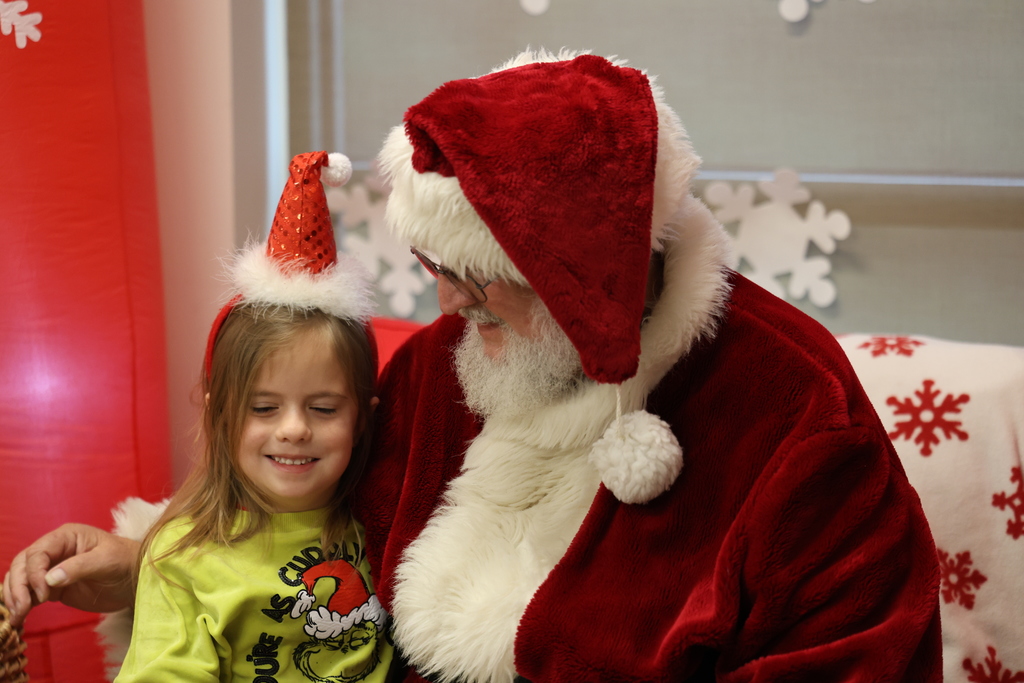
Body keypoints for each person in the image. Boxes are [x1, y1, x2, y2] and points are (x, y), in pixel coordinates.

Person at [5, 49, 941, 682]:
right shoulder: (439, 374)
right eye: (436, 268)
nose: (448, 304)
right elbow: (312, 536)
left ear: (582, 274)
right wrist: (151, 560)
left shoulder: (794, 412)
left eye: (478, 276)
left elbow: (863, 652)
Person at [117, 151, 393, 681]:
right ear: (218, 414)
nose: (294, 429)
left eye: (323, 408)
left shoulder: (384, 524)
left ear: (362, 419)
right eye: (264, 408)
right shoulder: (180, 558)